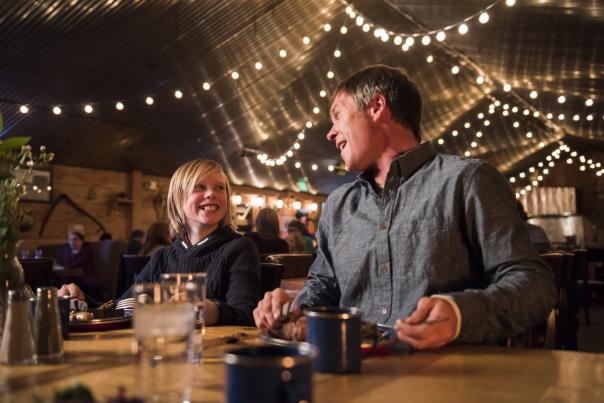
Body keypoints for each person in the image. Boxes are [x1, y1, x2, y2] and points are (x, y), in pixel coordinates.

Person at [254, 65, 557, 349]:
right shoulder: (337, 205)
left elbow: (535, 285)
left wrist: (460, 313)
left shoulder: (467, 180)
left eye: (337, 115)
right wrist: (291, 306)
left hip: (447, 375)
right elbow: (323, 285)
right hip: (353, 372)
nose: (330, 133)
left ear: (376, 107)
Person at [59, 159, 261, 326]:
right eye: (199, 187)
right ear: (178, 199)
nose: (211, 193)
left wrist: (214, 311)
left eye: (219, 187)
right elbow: (124, 307)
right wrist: (83, 302)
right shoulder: (164, 256)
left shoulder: (239, 248)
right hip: (166, 352)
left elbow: (248, 316)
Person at [59, 231, 102, 301]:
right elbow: (66, 264)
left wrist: (66, 268)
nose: (72, 242)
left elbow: (77, 264)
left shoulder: (86, 251)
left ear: (81, 241)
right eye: (70, 240)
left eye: (75, 239)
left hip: (86, 277)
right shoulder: (66, 251)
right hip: (72, 277)